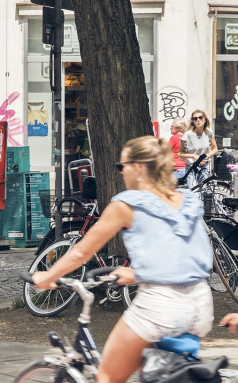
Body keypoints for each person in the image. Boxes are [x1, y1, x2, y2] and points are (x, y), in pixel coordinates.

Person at [32, 136, 213, 383]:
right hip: (200, 306)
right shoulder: (188, 201)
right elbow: (187, 255)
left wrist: (47, 276)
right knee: (150, 372)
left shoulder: (127, 204)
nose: (121, 172)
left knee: (107, 376)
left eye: (122, 166)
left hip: (160, 307)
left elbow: (81, 252)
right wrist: (138, 273)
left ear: (137, 168)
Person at [180, 109, 218, 188]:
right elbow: (180, 153)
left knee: (203, 192)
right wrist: (194, 156)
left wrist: (205, 157)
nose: (198, 120)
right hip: (191, 167)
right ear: (193, 121)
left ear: (204, 119)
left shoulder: (209, 132)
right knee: (194, 191)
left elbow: (215, 149)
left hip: (204, 166)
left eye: (200, 118)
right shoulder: (188, 135)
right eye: (195, 118)